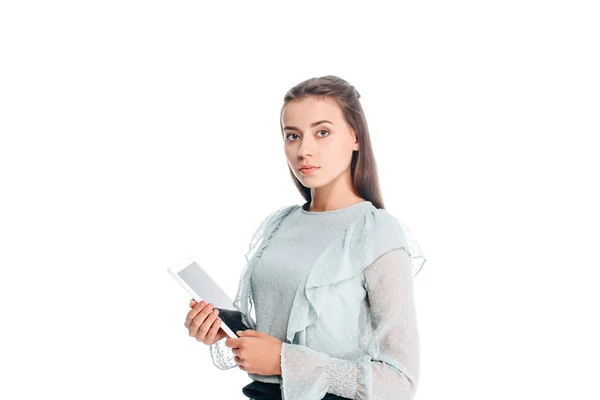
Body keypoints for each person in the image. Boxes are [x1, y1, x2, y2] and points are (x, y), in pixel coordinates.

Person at [183, 75, 426, 400]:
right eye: (292, 136)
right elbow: (270, 341)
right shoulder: (278, 224)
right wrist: (222, 330)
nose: (304, 150)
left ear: (356, 137)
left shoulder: (376, 232)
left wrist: (284, 360)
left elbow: (399, 382)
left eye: (322, 132)